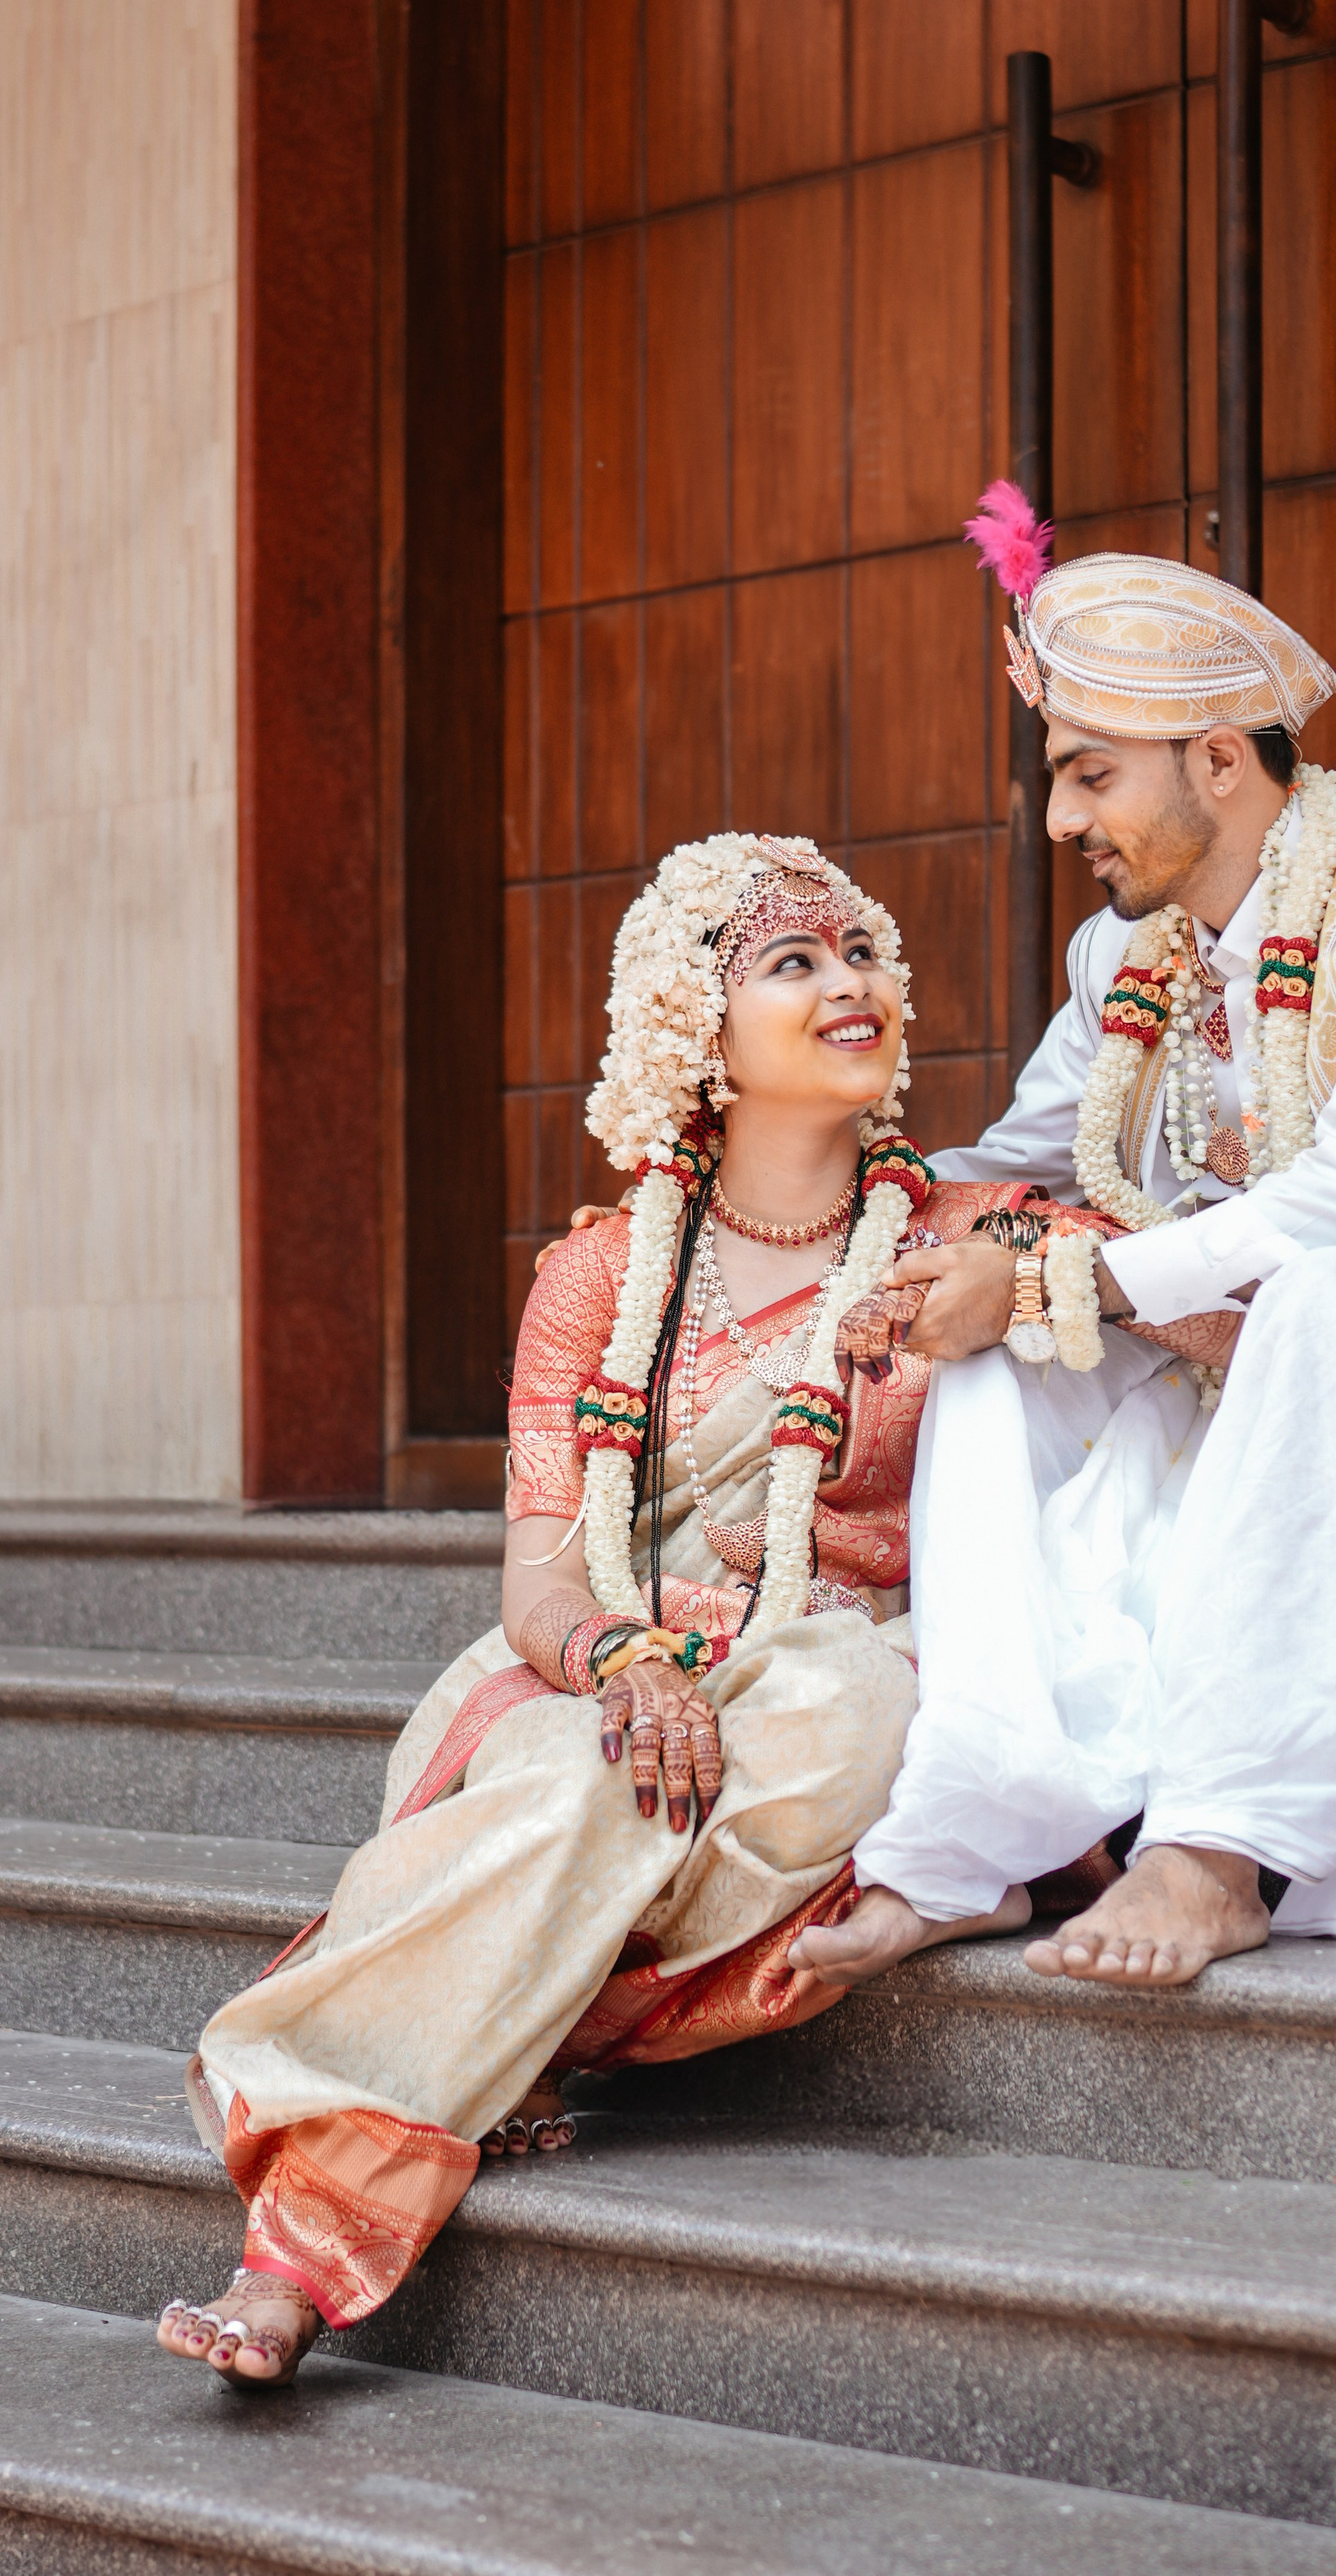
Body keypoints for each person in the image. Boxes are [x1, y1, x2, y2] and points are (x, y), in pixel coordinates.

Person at [155, 833, 1105, 2387]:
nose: (847, 983)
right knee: (577, 1772)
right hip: (605, 1666)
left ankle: (428, 2081)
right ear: (695, 1033)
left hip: (839, 1668)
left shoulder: (974, 1231)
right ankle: (314, 2230)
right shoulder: (601, 1274)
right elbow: (538, 1570)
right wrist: (622, 1661)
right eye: (789, 965)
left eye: (857, 951)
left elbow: (1226, 1313)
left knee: (824, 1720)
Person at [793, 531, 1336, 1993]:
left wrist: (1071, 1281)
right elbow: (1013, 1160)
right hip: (1217, 1344)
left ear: (1221, 763)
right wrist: (771, 1206)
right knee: (984, 1363)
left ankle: (1217, 1850)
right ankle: (973, 1840)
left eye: (1089, 773)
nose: (1058, 819)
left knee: (1327, 1297)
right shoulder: (1124, 962)